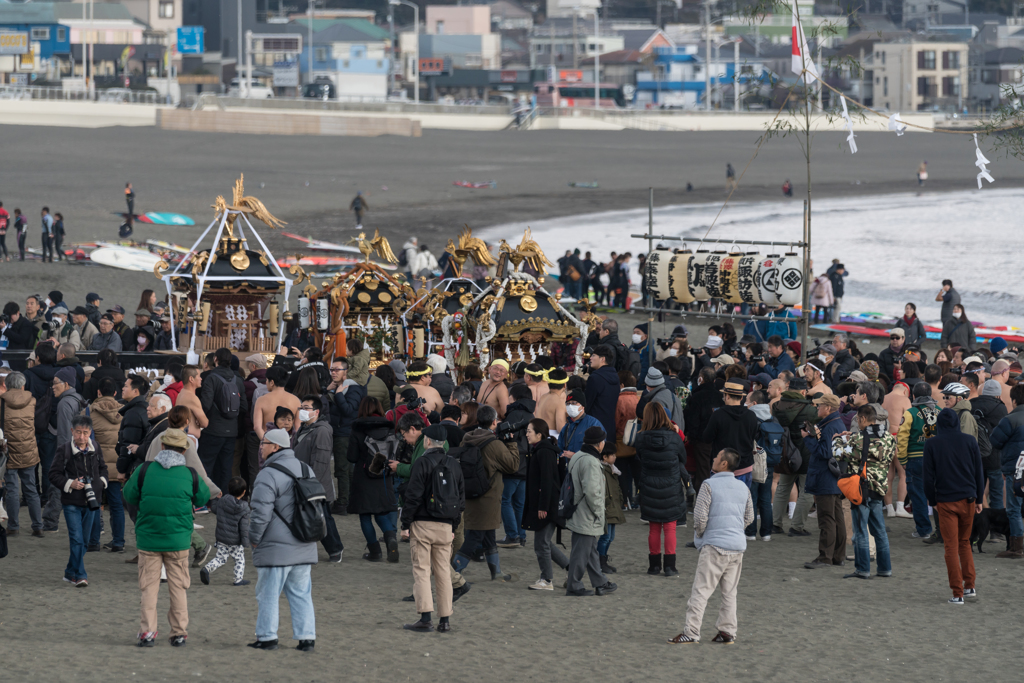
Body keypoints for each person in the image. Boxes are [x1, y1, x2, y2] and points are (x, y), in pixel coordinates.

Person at [122, 429, 210, 646]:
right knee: (178, 588)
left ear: (162, 447)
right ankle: (179, 633)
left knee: (149, 589)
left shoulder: (144, 470)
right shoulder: (190, 474)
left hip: (149, 539)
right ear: (184, 450)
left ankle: (147, 633)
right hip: (178, 541)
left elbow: (129, 495)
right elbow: (204, 497)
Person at [668, 448, 754, 645]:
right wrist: (734, 529)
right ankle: (727, 632)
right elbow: (749, 516)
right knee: (729, 592)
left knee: (701, 591)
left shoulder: (708, 485)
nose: (713, 458)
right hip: (737, 546)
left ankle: (691, 632)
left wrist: (701, 535)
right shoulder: (743, 487)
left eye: (716, 457)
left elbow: (699, 518)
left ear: (723, 463)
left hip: (715, 545)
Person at [248, 428, 318, 652]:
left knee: (268, 593)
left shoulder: (267, 474)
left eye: (264, 443)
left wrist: (254, 539)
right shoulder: (306, 469)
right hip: (305, 541)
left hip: (277, 546)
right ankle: (307, 638)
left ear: (276, 447)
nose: (261, 447)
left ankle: (267, 637)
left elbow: (260, 512)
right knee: (301, 594)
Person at [399, 423, 465, 632]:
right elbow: (461, 498)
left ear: (427, 441)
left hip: (423, 523)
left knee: (422, 570)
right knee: (444, 571)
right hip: (446, 525)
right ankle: (445, 620)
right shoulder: (454, 464)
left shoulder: (422, 462)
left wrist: (405, 523)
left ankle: (425, 617)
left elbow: (413, 495)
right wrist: (454, 524)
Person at [451, 405, 520, 582]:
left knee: (488, 534)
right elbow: (512, 465)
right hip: (488, 496)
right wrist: (511, 443)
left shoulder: (467, 438)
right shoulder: (494, 444)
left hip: (470, 492)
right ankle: (453, 570)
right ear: (494, 422)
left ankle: (496, 572)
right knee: (475, 536)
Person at [922, 408, 984, 604]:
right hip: (968, 498)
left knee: (951, 546)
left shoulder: (932, 443)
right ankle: (970, 586)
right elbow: (978, 472)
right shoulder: (970, 441)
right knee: (964, 543)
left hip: (946, 500)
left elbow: (928, 478)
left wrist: (932, 502)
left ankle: (957, 593)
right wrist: (980, 499)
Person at [48, 415, 108, 587]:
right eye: (78, 432)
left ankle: (69, 572)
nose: (82, 437)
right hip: (71, 502)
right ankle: (80, 575)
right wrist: (70, 483)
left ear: (90, 433)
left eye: (85, 433)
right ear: (72, 431)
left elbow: (103, 468)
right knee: (76, 539)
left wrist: (100, 483)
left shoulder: (95, 447)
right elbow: (53, 474)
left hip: (92, 502)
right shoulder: (64, 450)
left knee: (85, 540)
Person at [838, 405, 896, 579]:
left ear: (863, 419)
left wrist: (839, 440)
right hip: (879, 488)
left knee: (861, 530)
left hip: (861, 489)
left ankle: (863, 569)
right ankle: (885, 568)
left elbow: (837, 453)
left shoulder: (858, 438)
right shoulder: (888, 438)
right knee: (879, 531)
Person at [636, 403, 688, 578]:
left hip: (649, 486)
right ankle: (670, 566)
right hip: (671, 485)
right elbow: (683, 458)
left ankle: (654, 565)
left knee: (654, 527)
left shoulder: (641, 438)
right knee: (670, 527)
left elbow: (639, 458)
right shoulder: (674, 438)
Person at [565, 426, 616, 596]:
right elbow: (592, 492)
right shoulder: (591, 462)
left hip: (577, 510)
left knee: (590, 550)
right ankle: (574, 585)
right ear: (599, 444)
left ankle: (600, 582)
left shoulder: (578, 456)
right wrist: (599, 513)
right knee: (581, 552)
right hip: (586, 514)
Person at [347, 397, 400, 561]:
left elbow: (352, 457)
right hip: (384, 476)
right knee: (382, 514)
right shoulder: (389, 429)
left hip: (363, 477)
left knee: (365, 516)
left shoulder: (358, 429)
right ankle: (390, 537)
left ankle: (375, 552)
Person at [292, 395, 343, 563]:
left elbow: (320, 462)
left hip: (315, 486)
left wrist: (312, 486)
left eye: (306, 408)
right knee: (311, 517)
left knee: (323, 518)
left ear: (316, 411)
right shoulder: (305, 428)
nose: (302, 411)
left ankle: (335, 548)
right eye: (301, 408)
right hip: (304, 482)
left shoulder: (321, 430)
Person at [521, 418, 568, 590]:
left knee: (541, 543)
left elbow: (547, 481)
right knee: (545, 542)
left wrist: (543, 507)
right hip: (548, 504)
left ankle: (547, 580)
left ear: (539, 434)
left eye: (529, 431)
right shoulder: (541, 450)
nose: (526, 434)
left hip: (548, 505)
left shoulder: (544, 452)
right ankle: (571, 568)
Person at [802, 394, 847, 568]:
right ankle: (838, 555)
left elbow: (825, 452)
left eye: (819, 405)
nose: (817, 408)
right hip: (833, 477)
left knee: (827, 518)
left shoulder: (829, 426)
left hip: (825, 477)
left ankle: (825, 557)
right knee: (837, 517)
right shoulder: (836, 423)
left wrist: (808, 438)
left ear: (828, 407)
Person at [771, 378, 817, 536]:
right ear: (804, 392)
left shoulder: (777, 406)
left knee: (783, 487)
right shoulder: (810, 409)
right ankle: (796, 526)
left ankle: (775, 523)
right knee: (807, 491)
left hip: (785, 452)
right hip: (805, 453)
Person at [198, 348, 249, 493]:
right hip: (231, 431)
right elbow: (244, 406)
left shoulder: (211, 377)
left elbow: (206, 405)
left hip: (213, 429)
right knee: (226, 466)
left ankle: (205, 498)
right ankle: (224, 497)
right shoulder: (237, 379)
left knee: (206, 464)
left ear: (215, 359)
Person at [1, 372, 43, 537]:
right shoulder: (31, 401)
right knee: (31, 488)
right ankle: (38, 526)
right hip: (28, 449)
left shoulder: (2, 402)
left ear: (7, 385)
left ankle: (13, 526)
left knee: (11, 489)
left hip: (9, 450)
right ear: (22, 385)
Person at [897, 383, 941, 540]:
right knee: (939, 493)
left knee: (918, 494)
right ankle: (942, 529)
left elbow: (902, 437)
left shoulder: (910, 413)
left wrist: (902, 458)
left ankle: (923, 529)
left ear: (913, 396)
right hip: (937, 458)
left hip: (915, 458)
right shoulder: (939, 412)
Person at [989, 383, 1024, 559]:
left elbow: (995, 440)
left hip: (1016, 469)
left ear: (1014, 400)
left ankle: (1017, 548)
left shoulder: (1010, 419)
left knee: (1014, 509)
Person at [90, 378, 125, 551]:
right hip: (117, 464)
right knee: (117, 504)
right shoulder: (124, 412)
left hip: (97, 465)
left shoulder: (90, 412)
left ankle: (94, 540)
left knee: (95, 503)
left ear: (98, 392)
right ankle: (118, 541)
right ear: (116, 393)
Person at [702, 380, 759, 486]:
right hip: (745, 466)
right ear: (741, 397)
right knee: (742, 500)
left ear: (726, 396)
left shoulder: (718, 415)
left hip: (722, 467)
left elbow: (707, 438)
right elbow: (754, 436)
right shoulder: (751, 416)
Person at [200, 476, 251, 586]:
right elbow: (244, 527)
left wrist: (215, 499)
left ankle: (207, 569)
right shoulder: (244, 508)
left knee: (220, 558)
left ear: (228, 489)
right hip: (235, 541)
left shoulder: (223, 501)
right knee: (239, 559)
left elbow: (214, 509)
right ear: (243, 492)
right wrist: (245, 542)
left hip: (221, 537)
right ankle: (238, 579)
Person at [598, 447, 625, 575]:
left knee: (610, 537)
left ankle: (603, 560)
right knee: (605, 536)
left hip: (613, 507)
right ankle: (599, 562)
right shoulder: (603, 470)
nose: (615, 457)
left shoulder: (613, 471)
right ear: (604, 457)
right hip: (607, 507)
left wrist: (620, 501)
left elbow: (617, 489)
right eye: (612, 455)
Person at [558, 389, 603, 457]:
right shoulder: (567, 427)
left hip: (586, 465)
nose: (570, 406)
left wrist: (575, 456)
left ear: (582, 406)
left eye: (574, 403)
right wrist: (562, 455)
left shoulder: (593, 424)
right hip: (569, 466)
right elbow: (560, 448)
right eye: (568, 403)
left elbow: (599, 449)